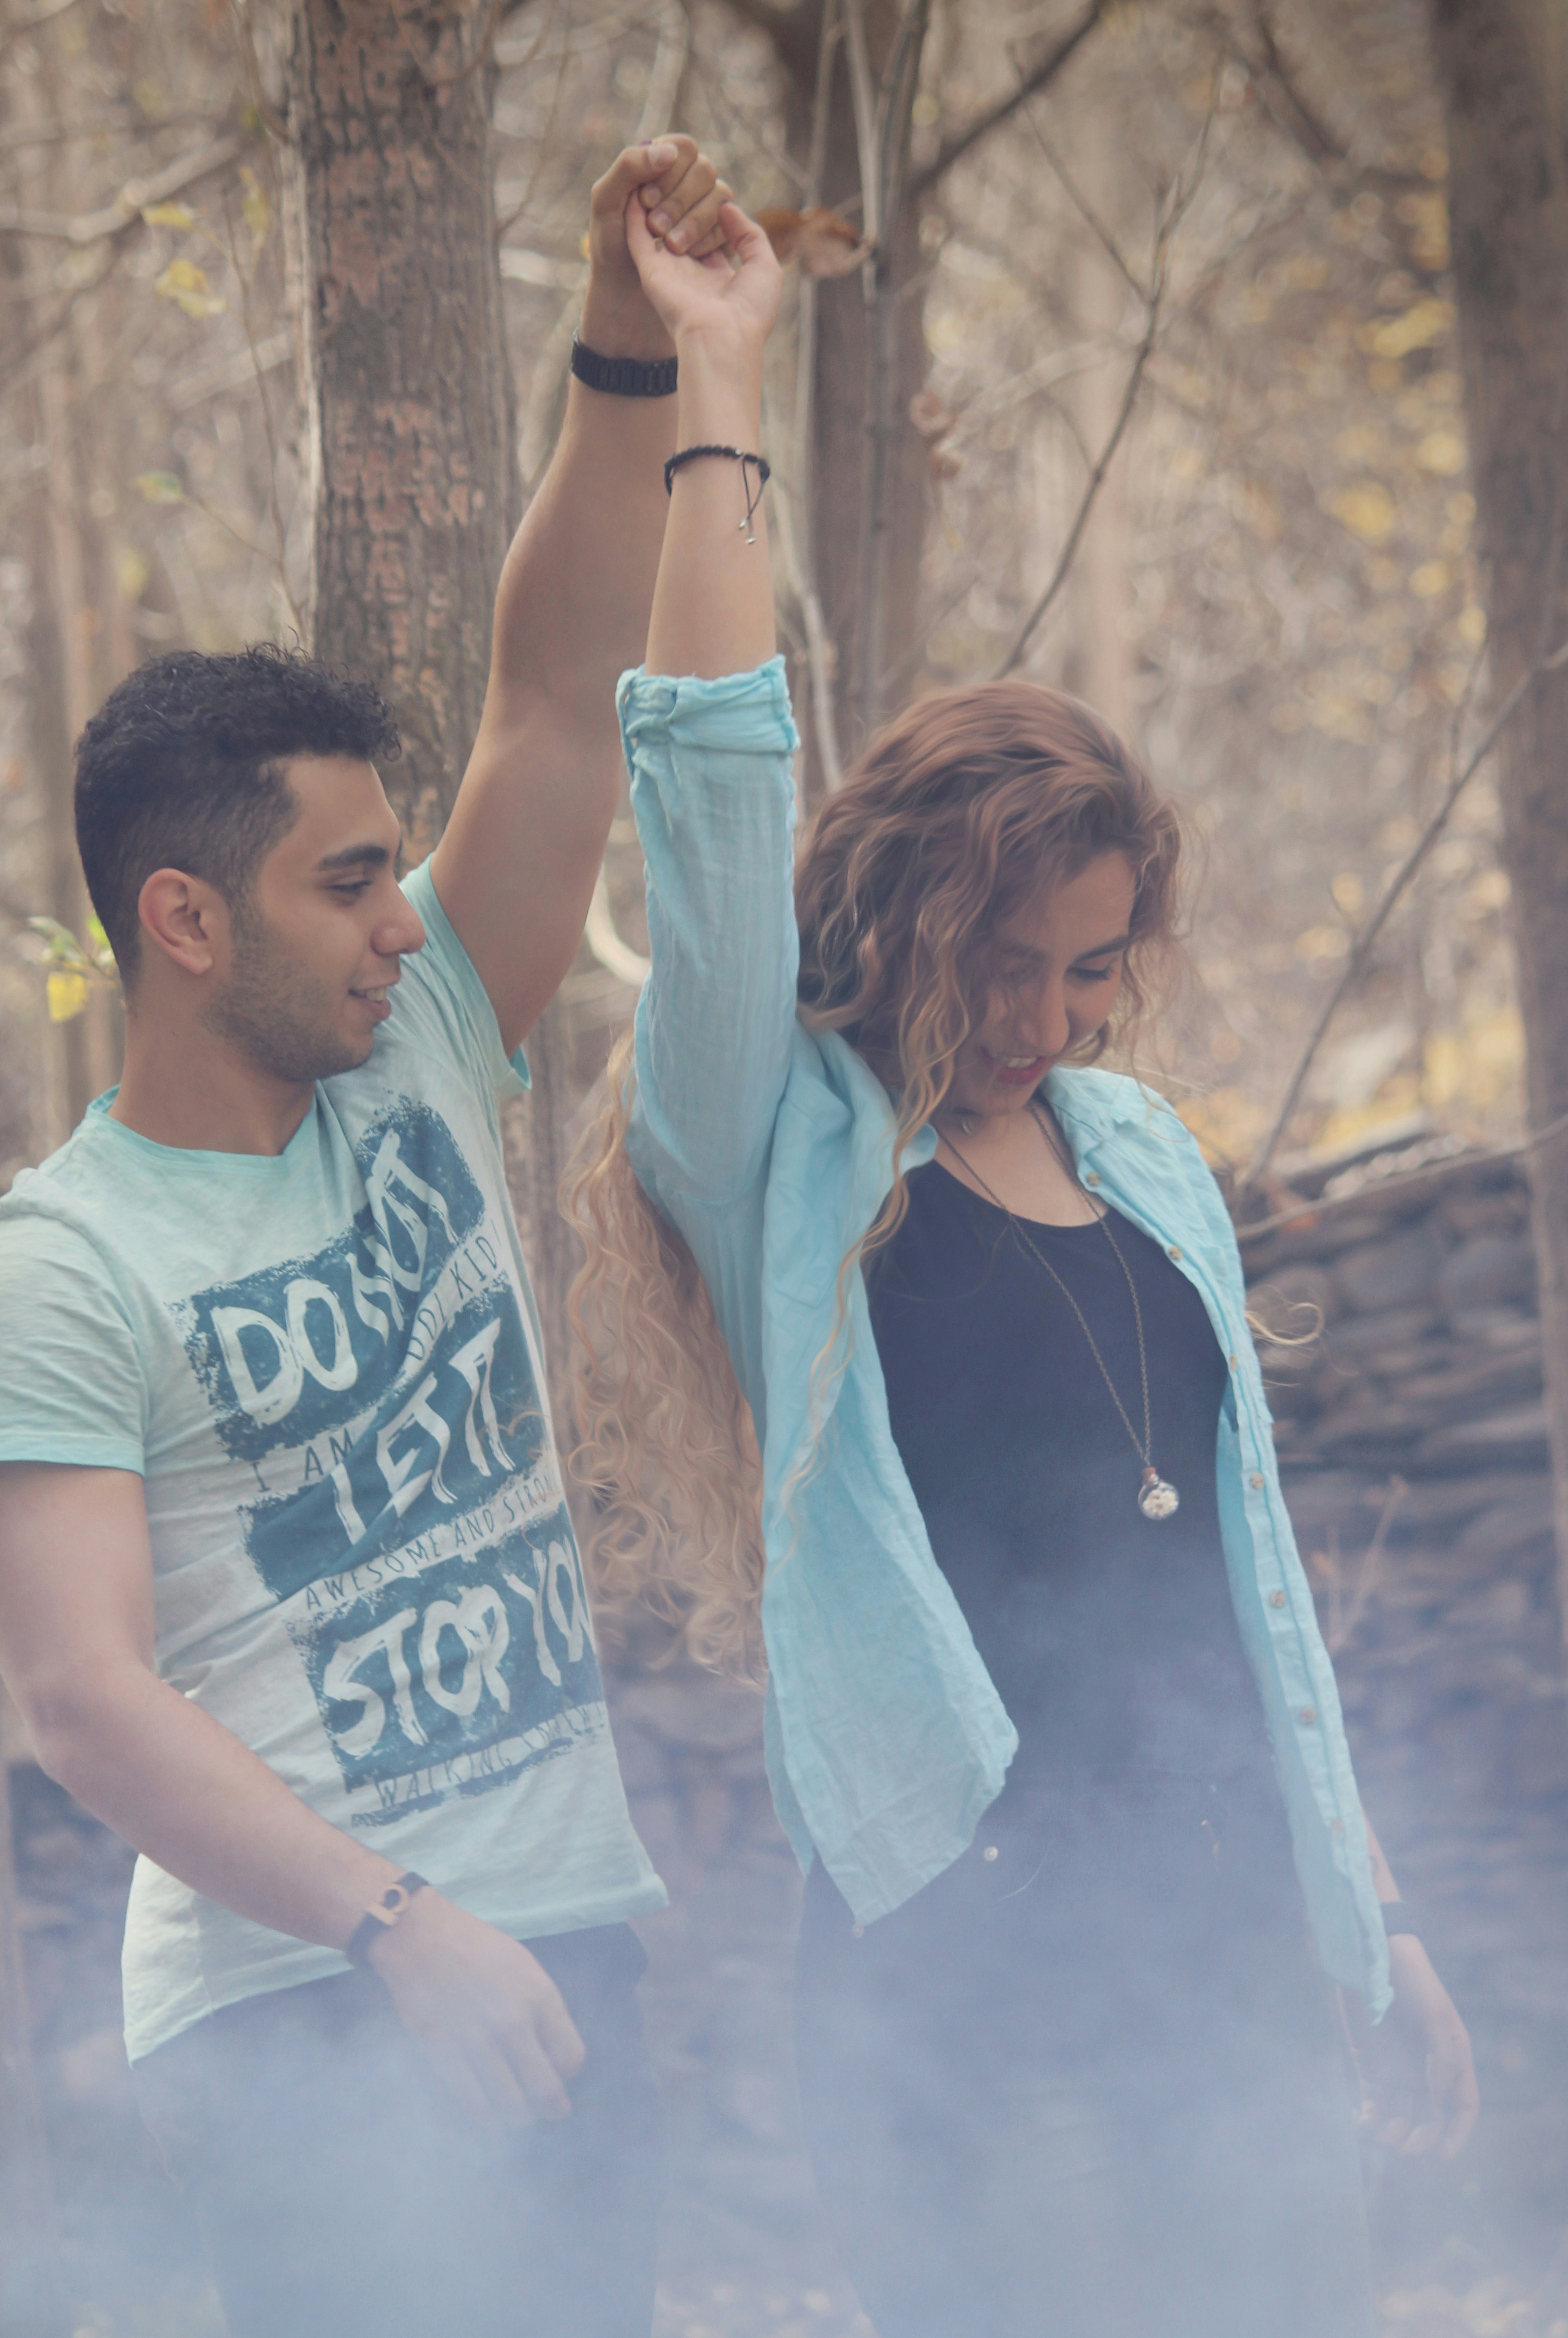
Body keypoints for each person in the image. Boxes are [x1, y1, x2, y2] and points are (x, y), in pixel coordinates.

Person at [568, 197, 1481, 2338]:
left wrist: (1375, 1929)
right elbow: (706, 795)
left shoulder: (1141, 1150)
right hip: (970, 1988)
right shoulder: (778, 1144)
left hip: (1236, 1958)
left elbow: (1247, 1591)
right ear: (898, 910)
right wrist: (721, 384)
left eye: (1087, 972)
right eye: (1003, 959)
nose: (1049, 1016)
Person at [0, 138, 738, 2338]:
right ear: (184, 919)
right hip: (305, 2003)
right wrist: (395, 1923)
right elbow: (75, 1691)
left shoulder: (412, 1049)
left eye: (401, 871)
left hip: (557, 1945)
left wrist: (637, 347)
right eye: (350, 882)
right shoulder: (64, 1257)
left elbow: (552, 696)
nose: (406, 920)